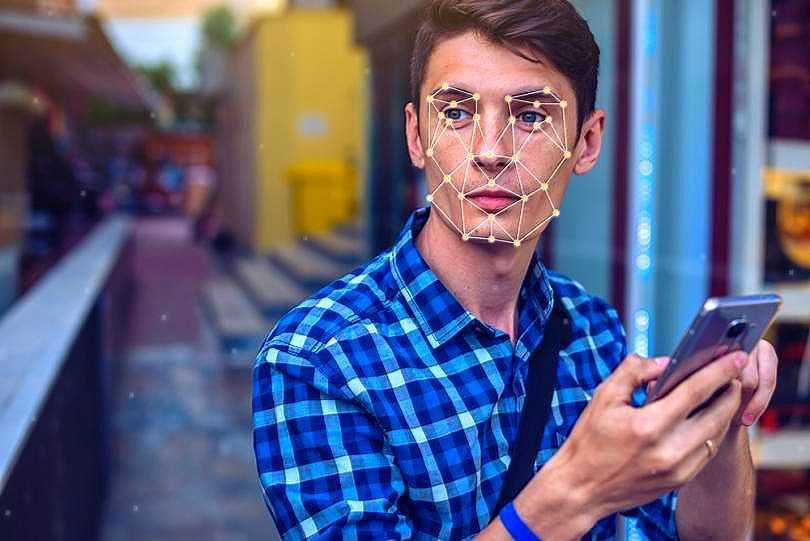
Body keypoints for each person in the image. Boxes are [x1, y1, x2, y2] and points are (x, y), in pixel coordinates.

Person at [252, 1, 778, 539]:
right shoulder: (319, 359)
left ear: (587, 143)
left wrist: (723, 420)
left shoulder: (592, 329)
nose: (490, 151)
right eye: (456, 113)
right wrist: (580, 488)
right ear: (416, 136)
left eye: (530, 116)